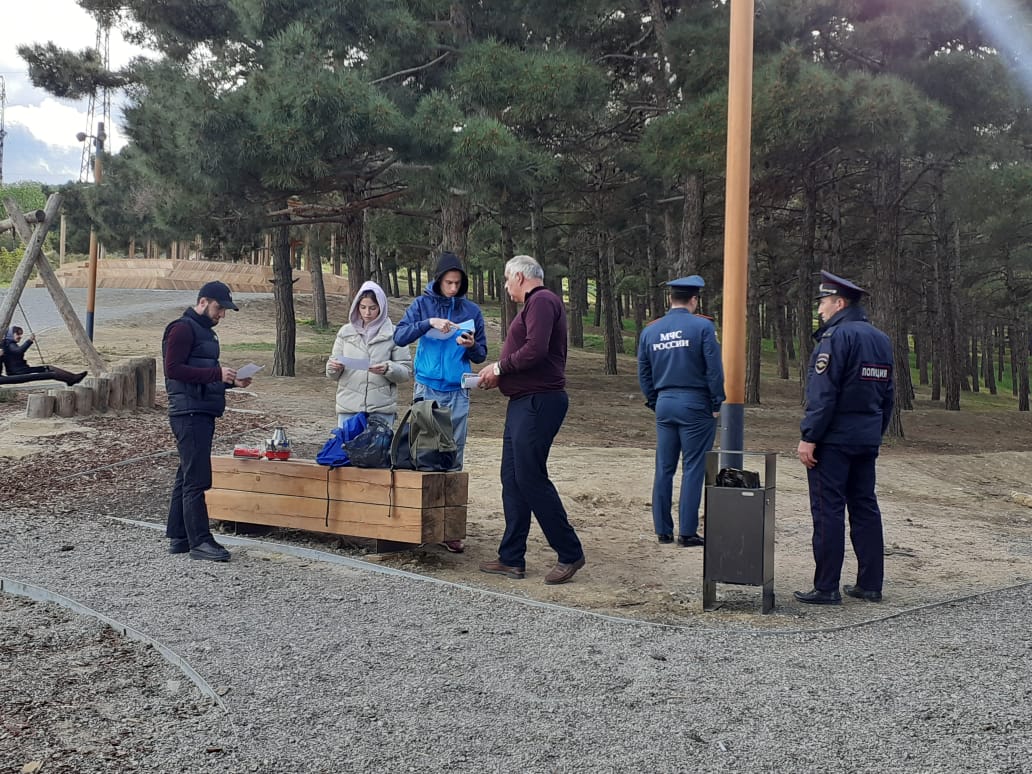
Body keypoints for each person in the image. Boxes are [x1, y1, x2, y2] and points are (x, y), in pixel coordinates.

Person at [476, 255, 586, 585]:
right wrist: (503, 373)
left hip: (540, 401)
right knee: (512, 477)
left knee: (530, 477)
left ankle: (569, 552)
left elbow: (535, 350)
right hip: (523, 401)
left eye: (508, 279)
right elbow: (528, 353)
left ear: (521, 277)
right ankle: (511, 557)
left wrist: (499, 368)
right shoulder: (534, 305)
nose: (506, 286)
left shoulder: (542, 301)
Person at [794, 270, 894, 605]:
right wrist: (873, 434)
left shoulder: (835, 338)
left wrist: (809, 437)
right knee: (865, 507)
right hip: (865, 439)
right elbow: (888, 395)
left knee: (828, 510)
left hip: (834, 441)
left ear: (839, 303)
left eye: (823, 303)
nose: (820, 310)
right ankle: (870, 584)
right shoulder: (880, 339)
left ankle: (826, 587)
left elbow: (823, 395)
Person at [394, 251, 487, 552]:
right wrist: (427, 323)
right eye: (448, 282)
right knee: (424, 455)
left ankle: (450, 529)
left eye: (458, 283)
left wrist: (471, 345)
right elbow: (399, 336)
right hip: (427, 389)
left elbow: (481, 354)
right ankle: (420, 524)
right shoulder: (422, 305)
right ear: (438, 280)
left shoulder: (471, 310)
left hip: (458, 391)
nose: (453, 288)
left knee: (452, 459)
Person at [162, 281, 252, 562]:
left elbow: (201, 375)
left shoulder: (205, 334)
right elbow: (173, 369)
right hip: (188, 412)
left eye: (224, 310)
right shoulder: (181, 328)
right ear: (203, 302)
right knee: (197, 478)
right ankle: (200, 540)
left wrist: (230, 381)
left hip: (200, 408)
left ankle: (180, 536)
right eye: (219, 308)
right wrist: (216, 374)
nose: (221, 315)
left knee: (187, 473)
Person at [637, 276, 725, 547]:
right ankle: (687, 532)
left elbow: (644, 372)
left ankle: (662, 530)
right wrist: (716, 403)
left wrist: (654, 400)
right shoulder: (702, 327)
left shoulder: (651, 331)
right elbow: (713, 369)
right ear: (694, 300)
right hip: (695, 403)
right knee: (693, 467)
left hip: (665, 402)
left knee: (664, 467)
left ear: (670, 299)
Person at [326, 280, 412, 428]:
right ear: (356, 307)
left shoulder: (395, 334)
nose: (367, 313)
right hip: (348, 408)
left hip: (381, 409)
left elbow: (405, 373)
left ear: (381, 307)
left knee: (379, 451)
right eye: (363, 307)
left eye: (372, 308)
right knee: (347, 450)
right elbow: (331, 372)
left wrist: (387, 369)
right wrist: (334, 367)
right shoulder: (345, 332)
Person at [0, 326, 87, 385]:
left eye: (21, 334)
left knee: (48, 367)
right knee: (49, 371)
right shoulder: (9, 344)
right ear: (11, 335)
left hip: (21, 370)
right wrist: (29, 340)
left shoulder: (8, 343)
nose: (20, 336)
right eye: (18, 334)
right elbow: (19, 351)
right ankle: (72, 379)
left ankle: (72, 378)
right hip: (18, 372)